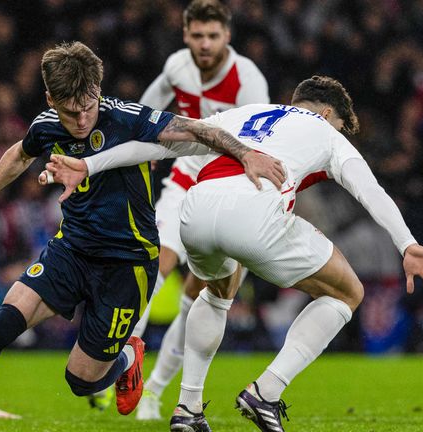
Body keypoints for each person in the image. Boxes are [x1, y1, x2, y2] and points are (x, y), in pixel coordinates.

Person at [0, 40, 285, 432]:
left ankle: (127, 359)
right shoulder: (45, 126)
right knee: (2, 322)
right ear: (49, 98)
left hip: (127, 265)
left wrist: (247, 153)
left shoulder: (128, 118)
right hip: (72, 250)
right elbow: (19, 154)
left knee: (81, 381)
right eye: (68, 112)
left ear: (98, 90)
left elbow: (198, 130)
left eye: (87, 108)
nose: (80, 121)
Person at [44, 75, 423, 432]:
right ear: (326, 113)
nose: (338, 131)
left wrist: (90, 164)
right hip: (255, 214)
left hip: (197, 211)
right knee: (347, 292)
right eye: (340, 125)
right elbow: (369, 190)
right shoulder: (325, 131)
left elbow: (153, 146)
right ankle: (266, 391)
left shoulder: (242, 114)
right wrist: (407, 244)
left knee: (217, 293)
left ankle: (188, 408)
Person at [130, 0, 269, 420]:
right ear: (185, 34)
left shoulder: (247, 80)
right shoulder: (177, 66)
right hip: (186, 177)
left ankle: (154, 391)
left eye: (213, 36)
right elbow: (145, 108)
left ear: (227, 36)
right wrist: (144, 145)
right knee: (156, 264)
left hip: (229, 189)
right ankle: (126, 363)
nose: (204, 44)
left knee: (198, 299)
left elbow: (260, 144)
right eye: (197, 36)